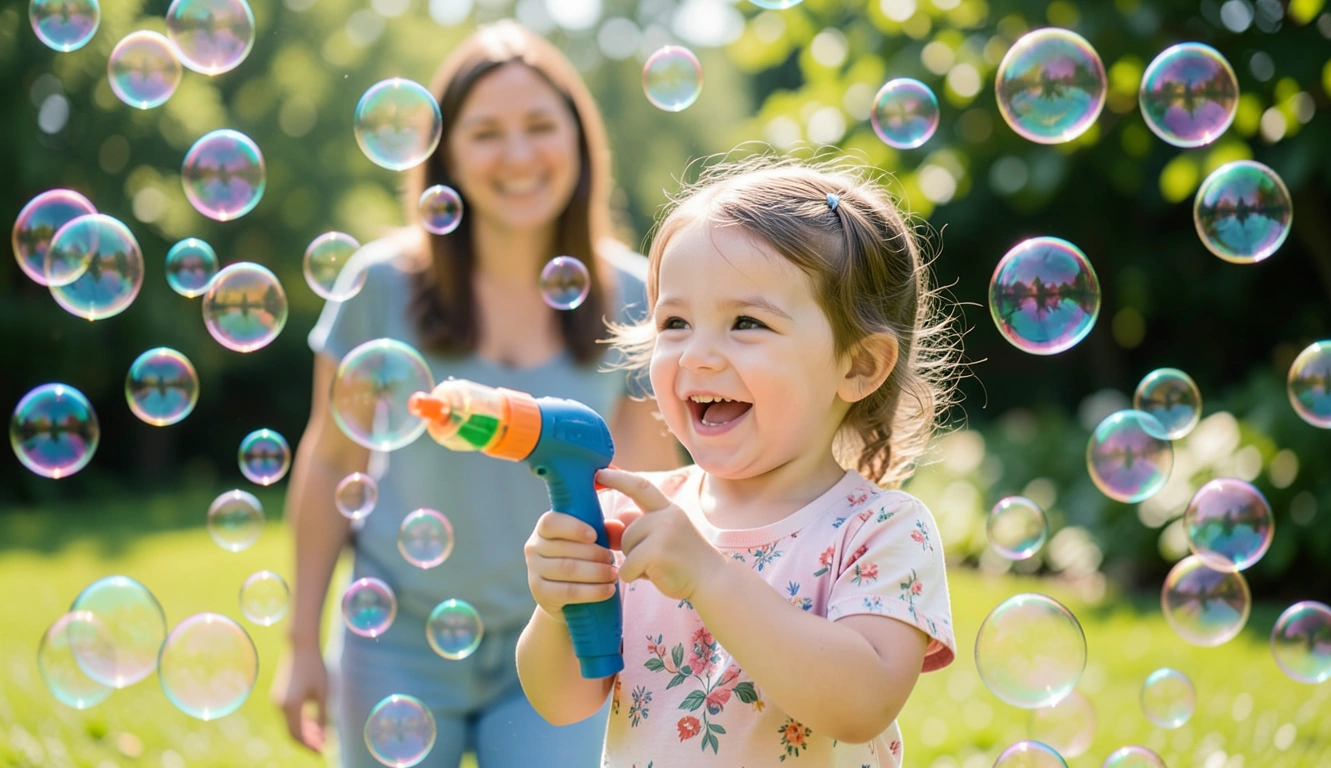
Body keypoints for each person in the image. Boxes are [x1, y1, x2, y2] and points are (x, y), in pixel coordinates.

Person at [274, 20, 684, 768]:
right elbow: (332, 462)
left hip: (562, 635)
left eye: (540, 126)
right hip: (395, 633)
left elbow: (641, 491)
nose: (518, 155)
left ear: (580, 141)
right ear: (447, 156)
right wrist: (302, 643)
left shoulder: (635, 293)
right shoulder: (379, 285)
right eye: (487, 133)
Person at [516, 155, 961, 766]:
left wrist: (711, 578)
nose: (696, 355)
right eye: (675, 322)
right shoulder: (629, 516)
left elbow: (862, 706)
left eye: (746, 322)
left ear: (859, 365)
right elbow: (562, 702)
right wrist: (556, 604)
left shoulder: (879, 532)